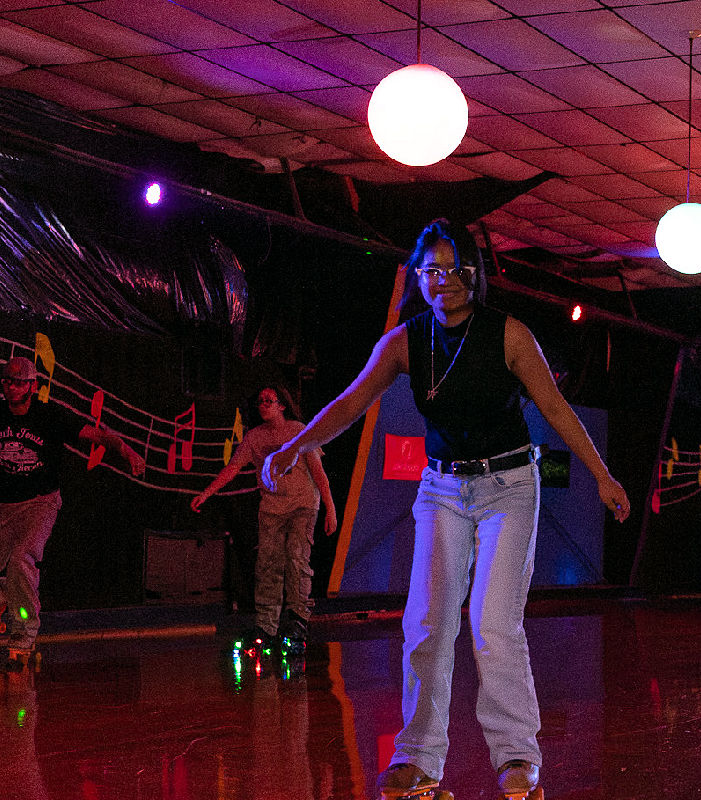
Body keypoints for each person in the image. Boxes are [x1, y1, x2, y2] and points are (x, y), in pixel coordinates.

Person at [261, 219, 631, 800]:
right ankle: (417, 758)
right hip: (441, 491)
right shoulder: (404, 342)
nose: (444, 281)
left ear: (474, 273)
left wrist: (602, 475)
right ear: (419, 277)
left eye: (455, 269)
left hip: (510, 485)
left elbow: (556, 409)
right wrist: (294, 444)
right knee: (425, 622)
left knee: (491, 623)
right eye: (432, 270)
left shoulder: (509, 335)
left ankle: (516, 760)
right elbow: (351, 401)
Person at [0, 356, 145, 667]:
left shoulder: (50, 416)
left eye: (17, 382)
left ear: (32, 386)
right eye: (6, 381)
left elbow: (98, 435)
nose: (10, 387)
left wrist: (126, 450)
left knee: (22, 557)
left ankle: (23, 633)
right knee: (8, 571)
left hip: (40, 503)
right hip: (4, 505)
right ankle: (6, 596)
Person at [191, 383, 336, 651]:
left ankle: (297, 620)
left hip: (303, 504)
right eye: (260, 401)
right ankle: (267, 625)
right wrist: (207, 493)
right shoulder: (254, 438)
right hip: (271, 507)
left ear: (282, 405)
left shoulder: (298, 430)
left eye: (270, 400)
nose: (264, 404)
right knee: (267, 564)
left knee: (296, 559)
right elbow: (233, 468)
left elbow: (318, 472)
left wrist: (330, 508)